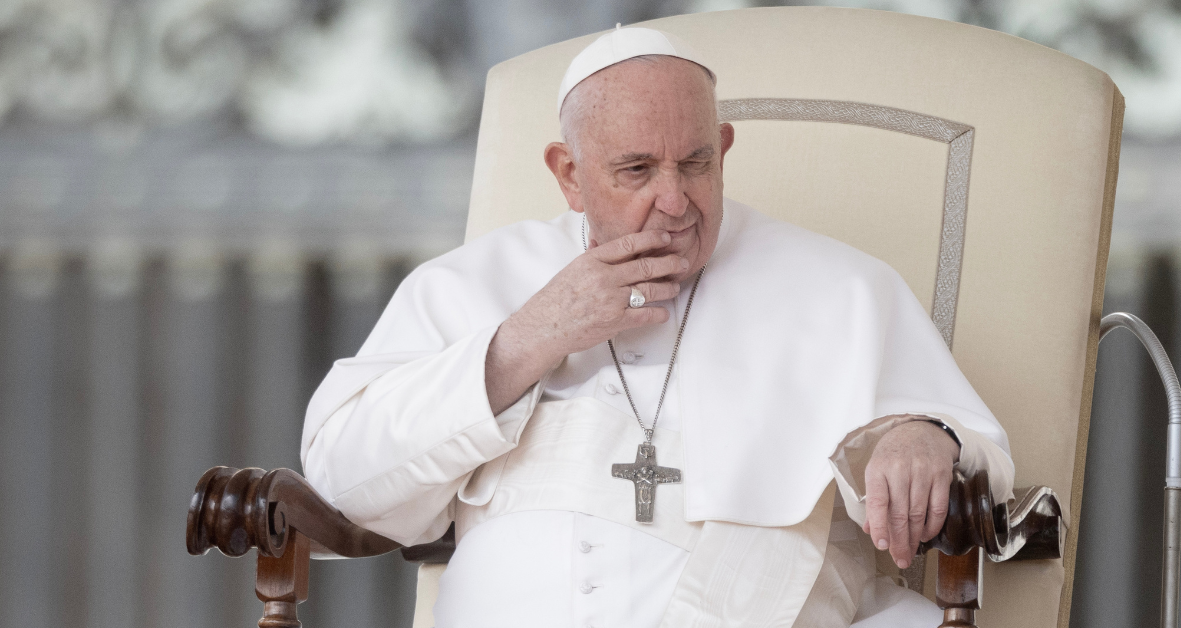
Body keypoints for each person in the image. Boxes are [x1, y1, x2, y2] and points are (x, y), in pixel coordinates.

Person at [301, 26, 1015, 628]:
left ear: (724, 149)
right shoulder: (470, 283)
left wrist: (926, 435)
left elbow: (969, 445)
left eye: (696, 163)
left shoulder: (843, 289)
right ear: (569, 175)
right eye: (636, 170)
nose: (675, 201)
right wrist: (529, 338)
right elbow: (343, 481)